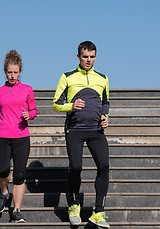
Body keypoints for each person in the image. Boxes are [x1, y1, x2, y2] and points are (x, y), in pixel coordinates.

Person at [52, 41, 110, 228]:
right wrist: (72, 105)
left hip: (96, 130)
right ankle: (75, 205)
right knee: (76, 167)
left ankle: (99, 211)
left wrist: (105, 117)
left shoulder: (103, 78)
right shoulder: (67, 77)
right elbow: (56, 103)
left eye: (92, 57)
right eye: (85, 57)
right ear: (78, 57)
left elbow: (106, 103)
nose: (89, 60)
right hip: (75, 130)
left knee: (104, 165)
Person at [0, 50, 37, 223]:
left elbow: (34, 110)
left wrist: (29, 115)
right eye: (10, 72)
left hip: (22, 136)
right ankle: (4, 193)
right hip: (2, 136)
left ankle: (16, 210)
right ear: (5, 72)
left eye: (15, 72)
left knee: (20, 175)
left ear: (20, 72)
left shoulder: (27, 90)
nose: (12, 75)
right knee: (2, 170)